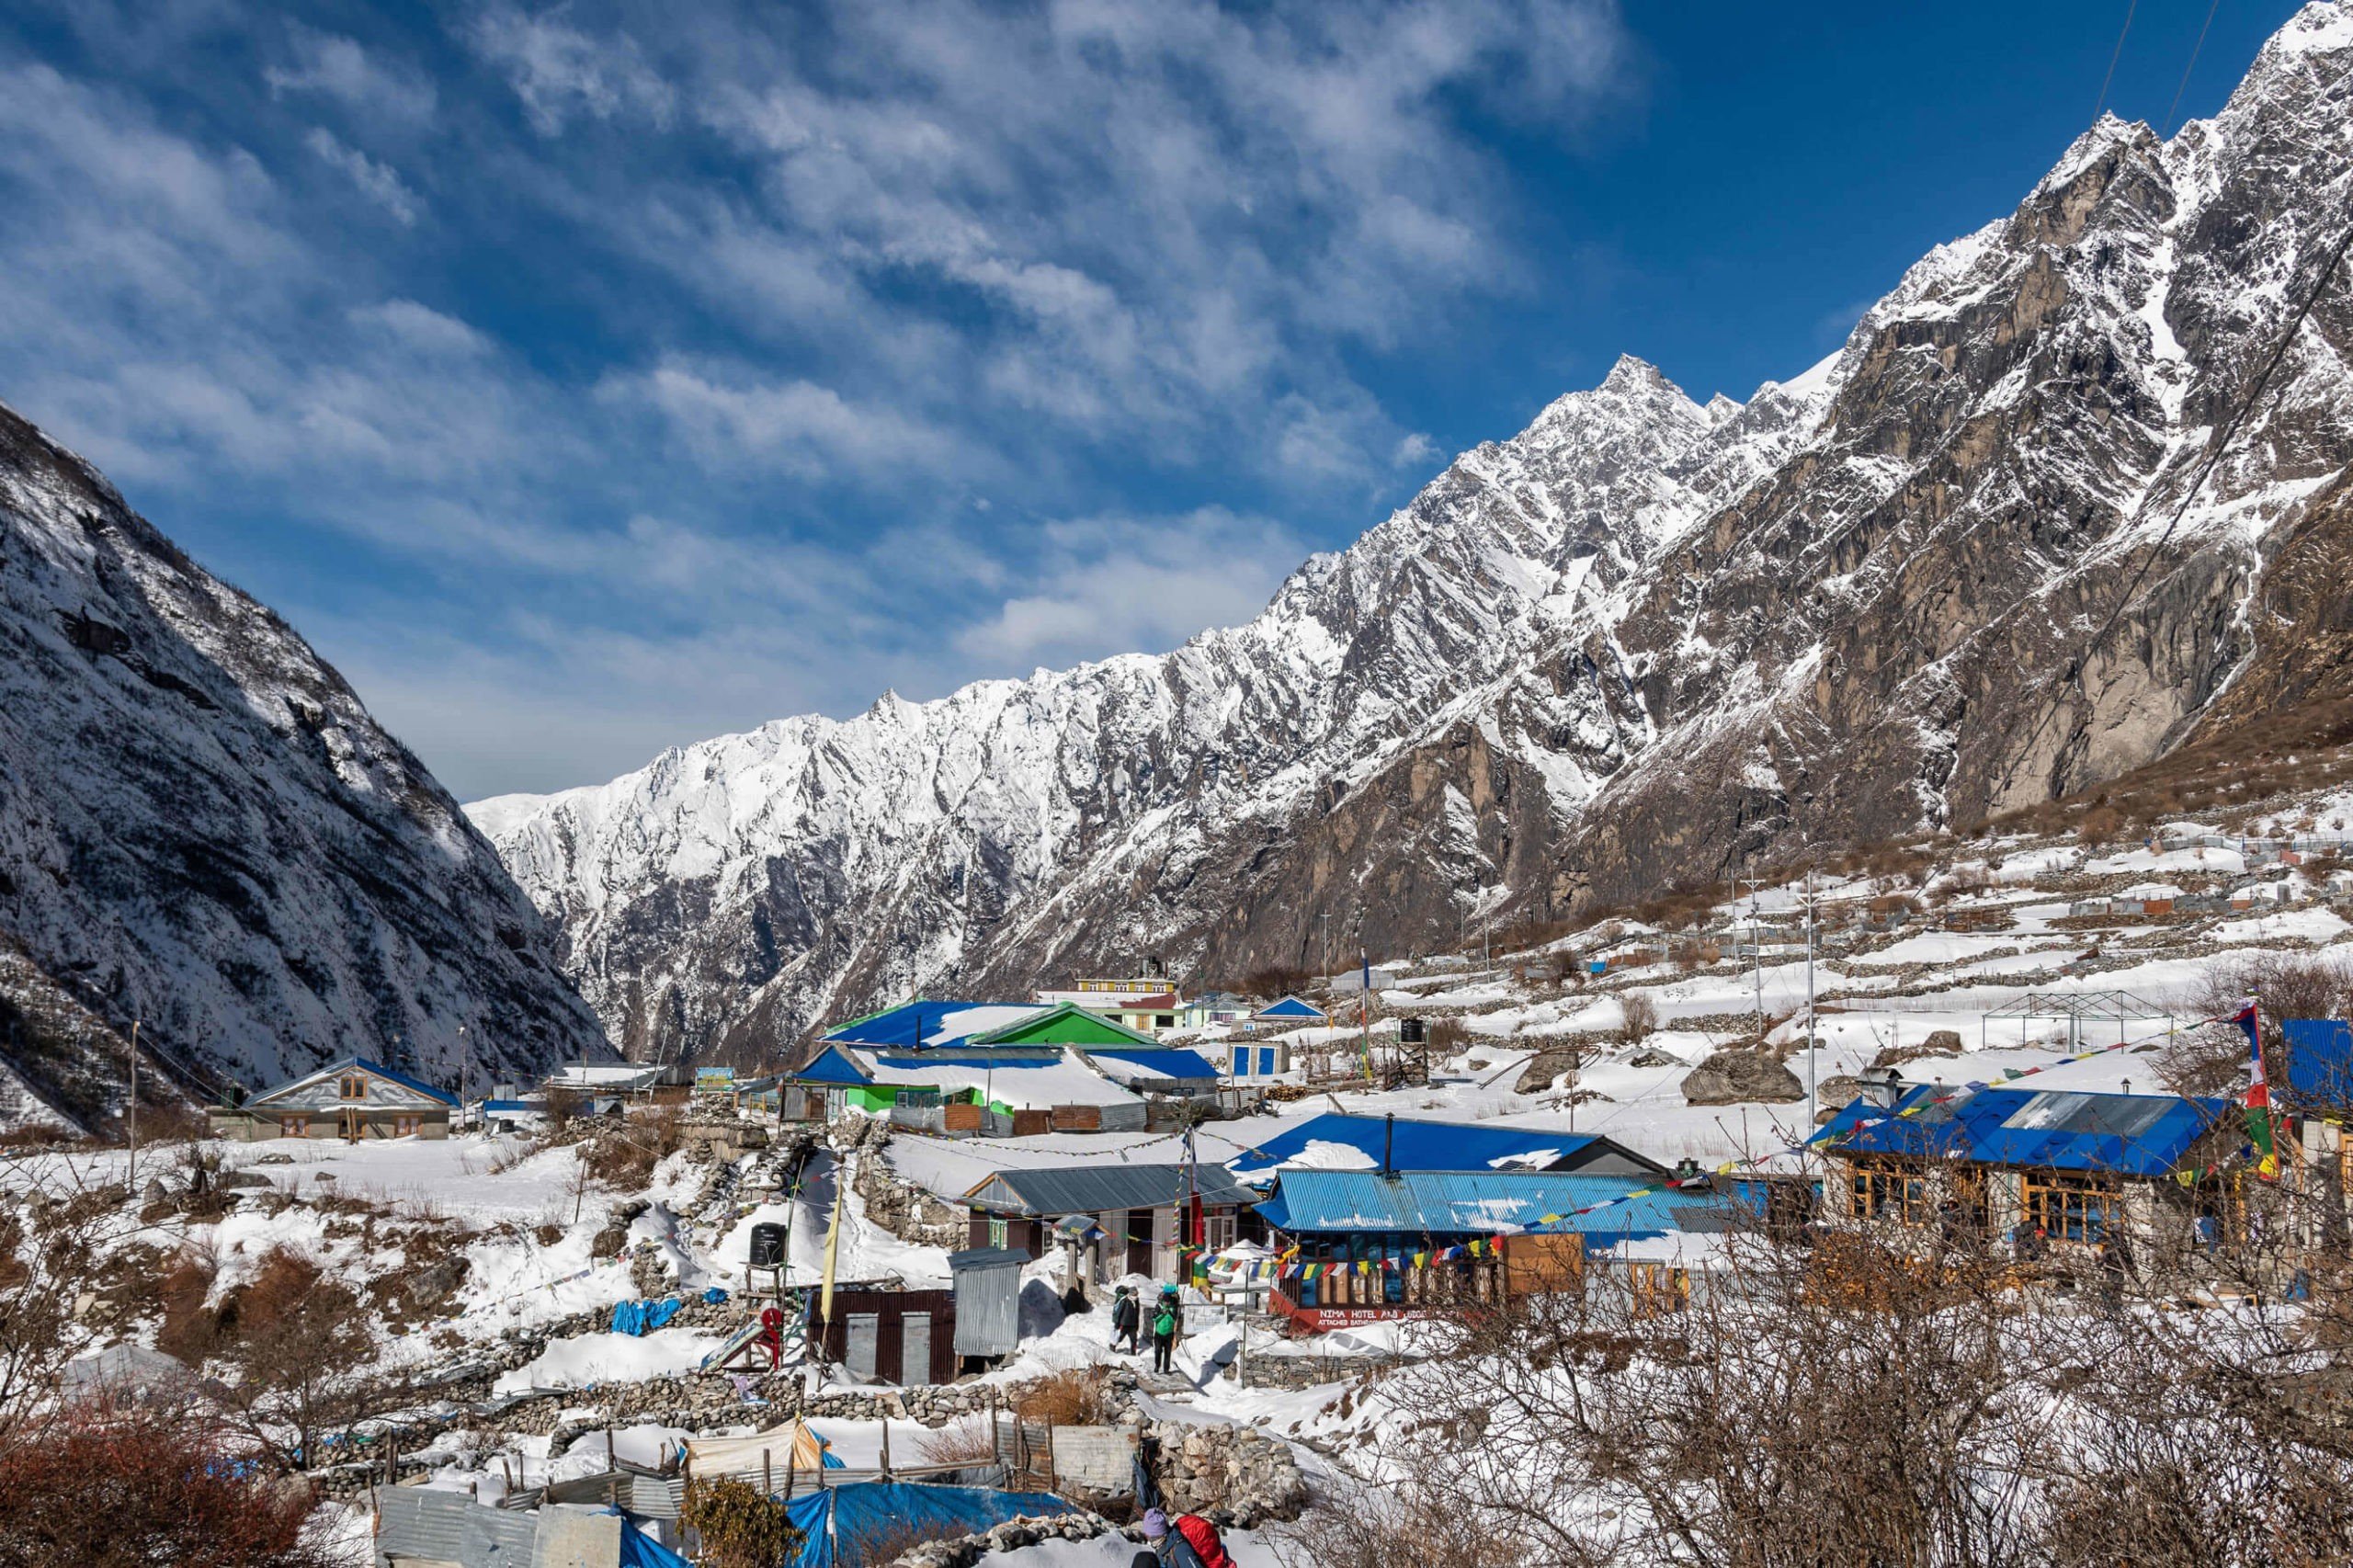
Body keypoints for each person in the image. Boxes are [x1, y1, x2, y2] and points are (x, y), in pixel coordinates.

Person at [1150, 1285, 1182, 1375]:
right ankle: (1157, 1365)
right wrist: (1161, 1313)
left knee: (1168, 1352)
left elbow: (1174, 1320)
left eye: (1168, 1302)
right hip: (1159, 1333)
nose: (1166, 1304)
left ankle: (1166, 1369)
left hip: (1169, 1333)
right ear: (1163, 1301)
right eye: (1165, 1302)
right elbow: (1154, 1319)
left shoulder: (1173, 1308)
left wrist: (1169, 1313)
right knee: (1158, 1351)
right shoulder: (1159, 1307)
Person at [1111, 1286, 1141, 1354]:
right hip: (1124, 1324)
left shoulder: (1136, 1302)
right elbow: (1119, 1312)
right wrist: (1117, 1323)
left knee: (1134, 1340)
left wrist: (1137, 1324)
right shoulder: (1125, 1301)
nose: (1135, 1295)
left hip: (1133, 1325)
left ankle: (1133, 1353)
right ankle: (1112, 1346)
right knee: (1119, 1338)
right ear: (1130, 1294)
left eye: (1136, 1294)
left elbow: (1137, 1314)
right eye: (1134, 1294)